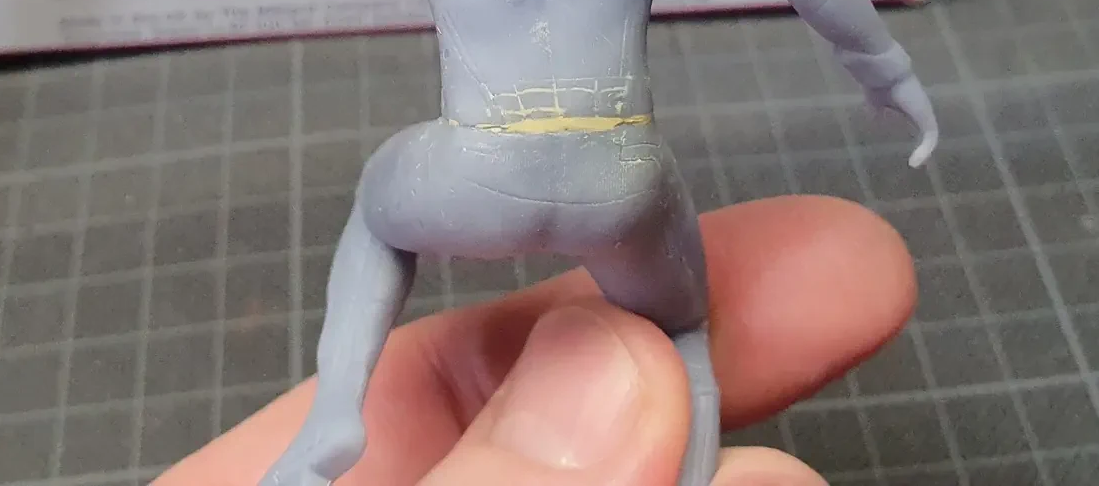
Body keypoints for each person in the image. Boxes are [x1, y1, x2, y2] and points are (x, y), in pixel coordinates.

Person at [146, 194, 915, 486]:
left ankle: (336, 417)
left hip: (482, 154)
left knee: (381, 213)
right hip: (615, 158)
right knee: (686, 327)